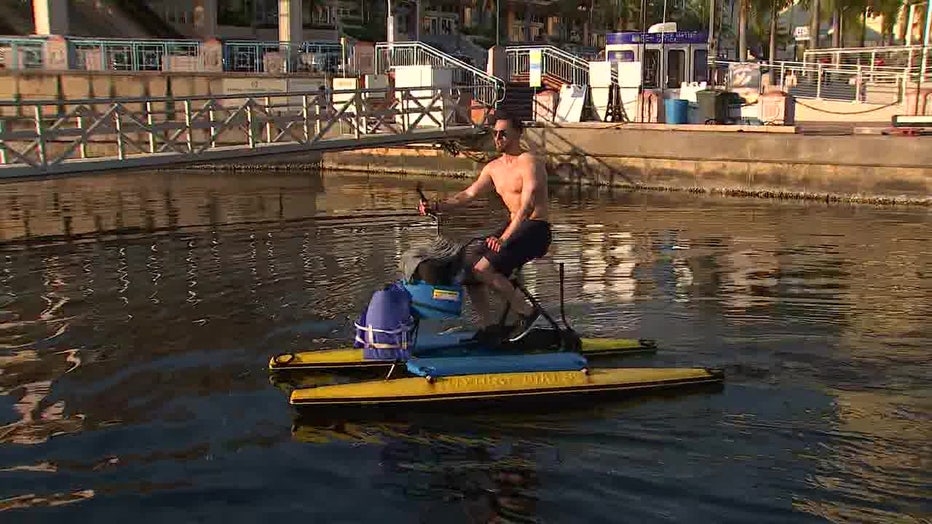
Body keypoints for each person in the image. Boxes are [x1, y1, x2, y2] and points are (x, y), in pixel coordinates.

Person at [418, 110, 551, 341]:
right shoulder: (493, 168)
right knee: (469, 270)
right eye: (495, 134)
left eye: (503, 134)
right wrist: (437, 206)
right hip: (513, 225)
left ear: (518, 133)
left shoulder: (529, 162)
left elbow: (527, 206)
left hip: (535, 228)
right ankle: (490, 327)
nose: (497, 139)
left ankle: (528, 313)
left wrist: (503, 239)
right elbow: (468, 194)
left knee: (484, 269)